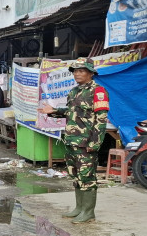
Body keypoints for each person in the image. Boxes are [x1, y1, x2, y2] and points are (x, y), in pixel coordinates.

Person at [40, 58, 109, 224]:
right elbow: (71, 112)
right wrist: (54, 110)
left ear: (91, 73)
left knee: (87, 177)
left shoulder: (98, 91)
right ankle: (79, 208)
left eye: (81, 70)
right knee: (76, 176)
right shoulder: (74, 91)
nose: (77, 74)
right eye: (75, 71)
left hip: (86, 142)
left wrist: (95, 143)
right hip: (72, 141)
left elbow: (101, 120)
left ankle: (88, 212)